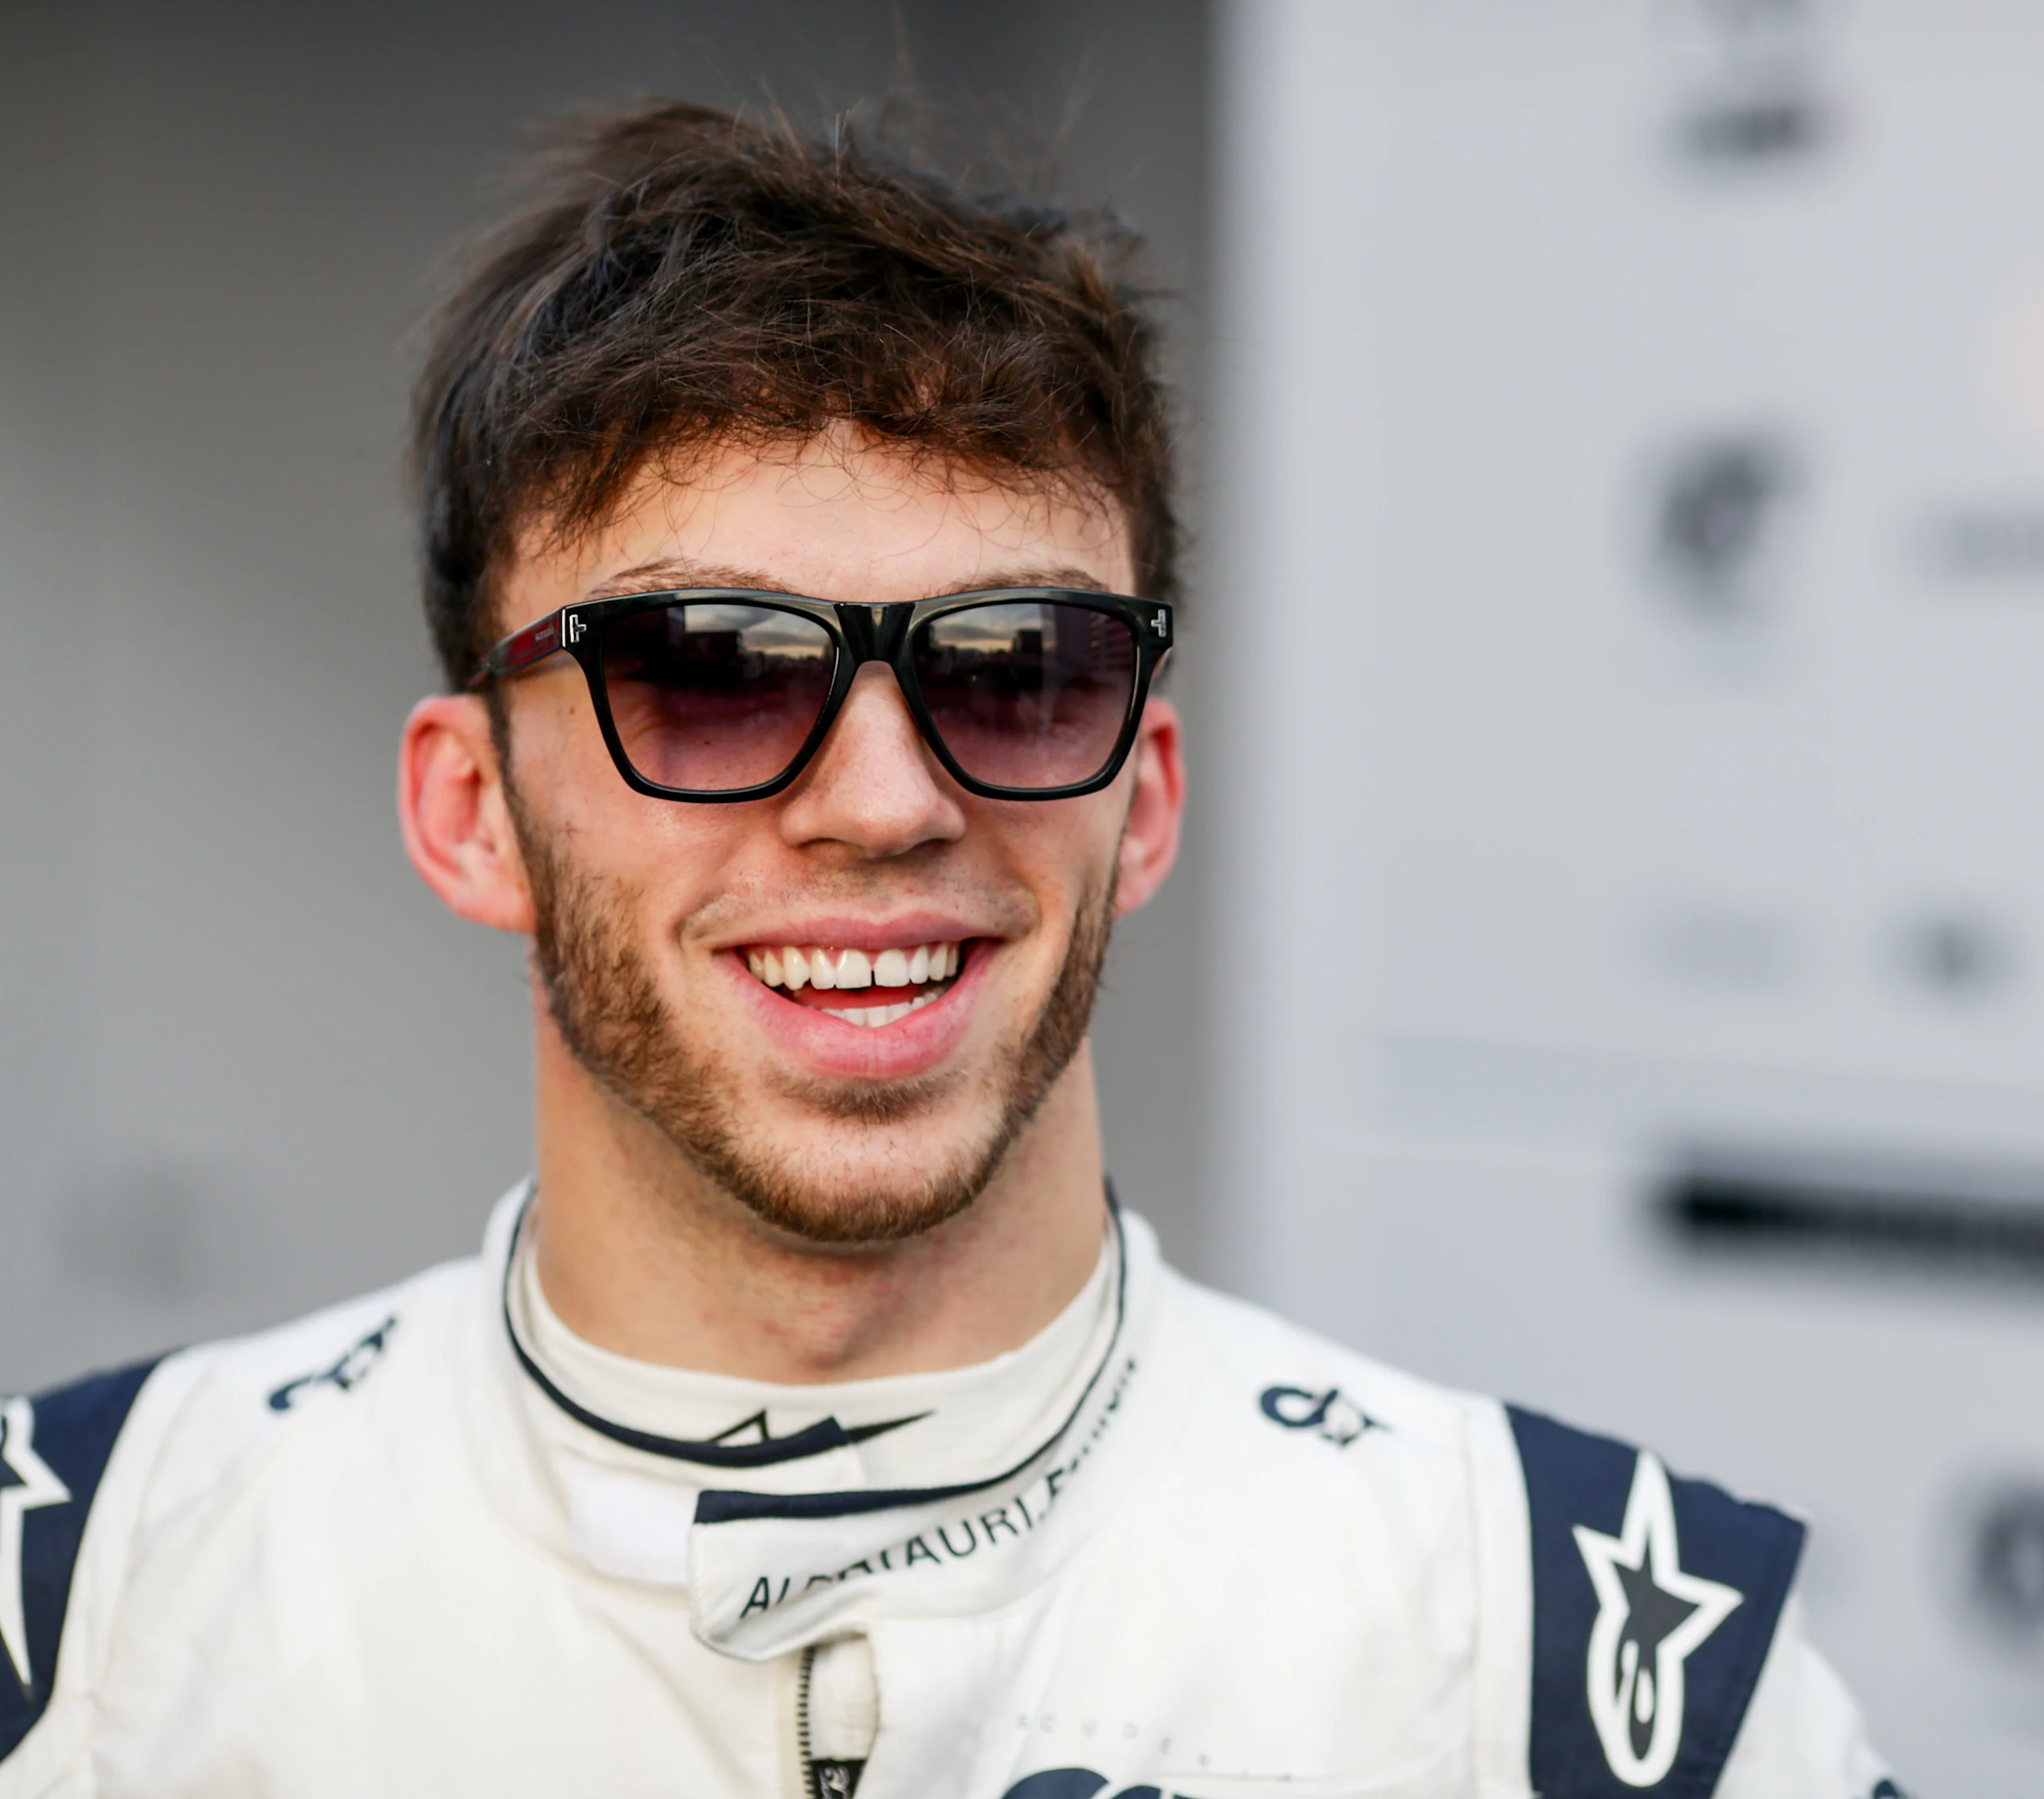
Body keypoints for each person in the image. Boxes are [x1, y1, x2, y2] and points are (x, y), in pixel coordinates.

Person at [0, 103, 1895, 1799]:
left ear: (1144, 799)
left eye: (1015, 668)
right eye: (711, 672)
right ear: (470, 809)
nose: (886, 800)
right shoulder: (77, 1608)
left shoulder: (1577, 1667)